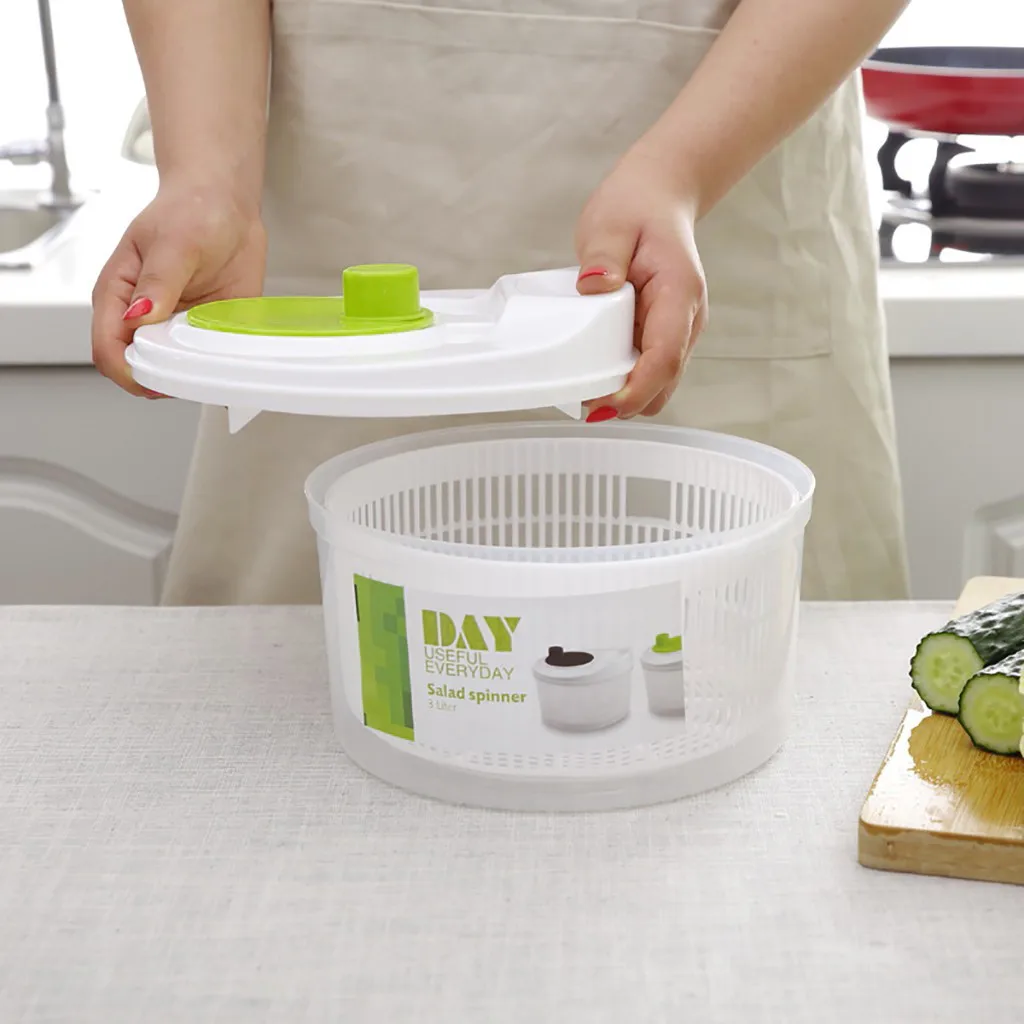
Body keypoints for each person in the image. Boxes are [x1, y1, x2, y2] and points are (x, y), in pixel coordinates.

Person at [93, 0, 912, 606]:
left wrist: (681, 174)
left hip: (729, 146)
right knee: (303, 699)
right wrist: (204, 176)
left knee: (734, 672)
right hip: (334, 173)